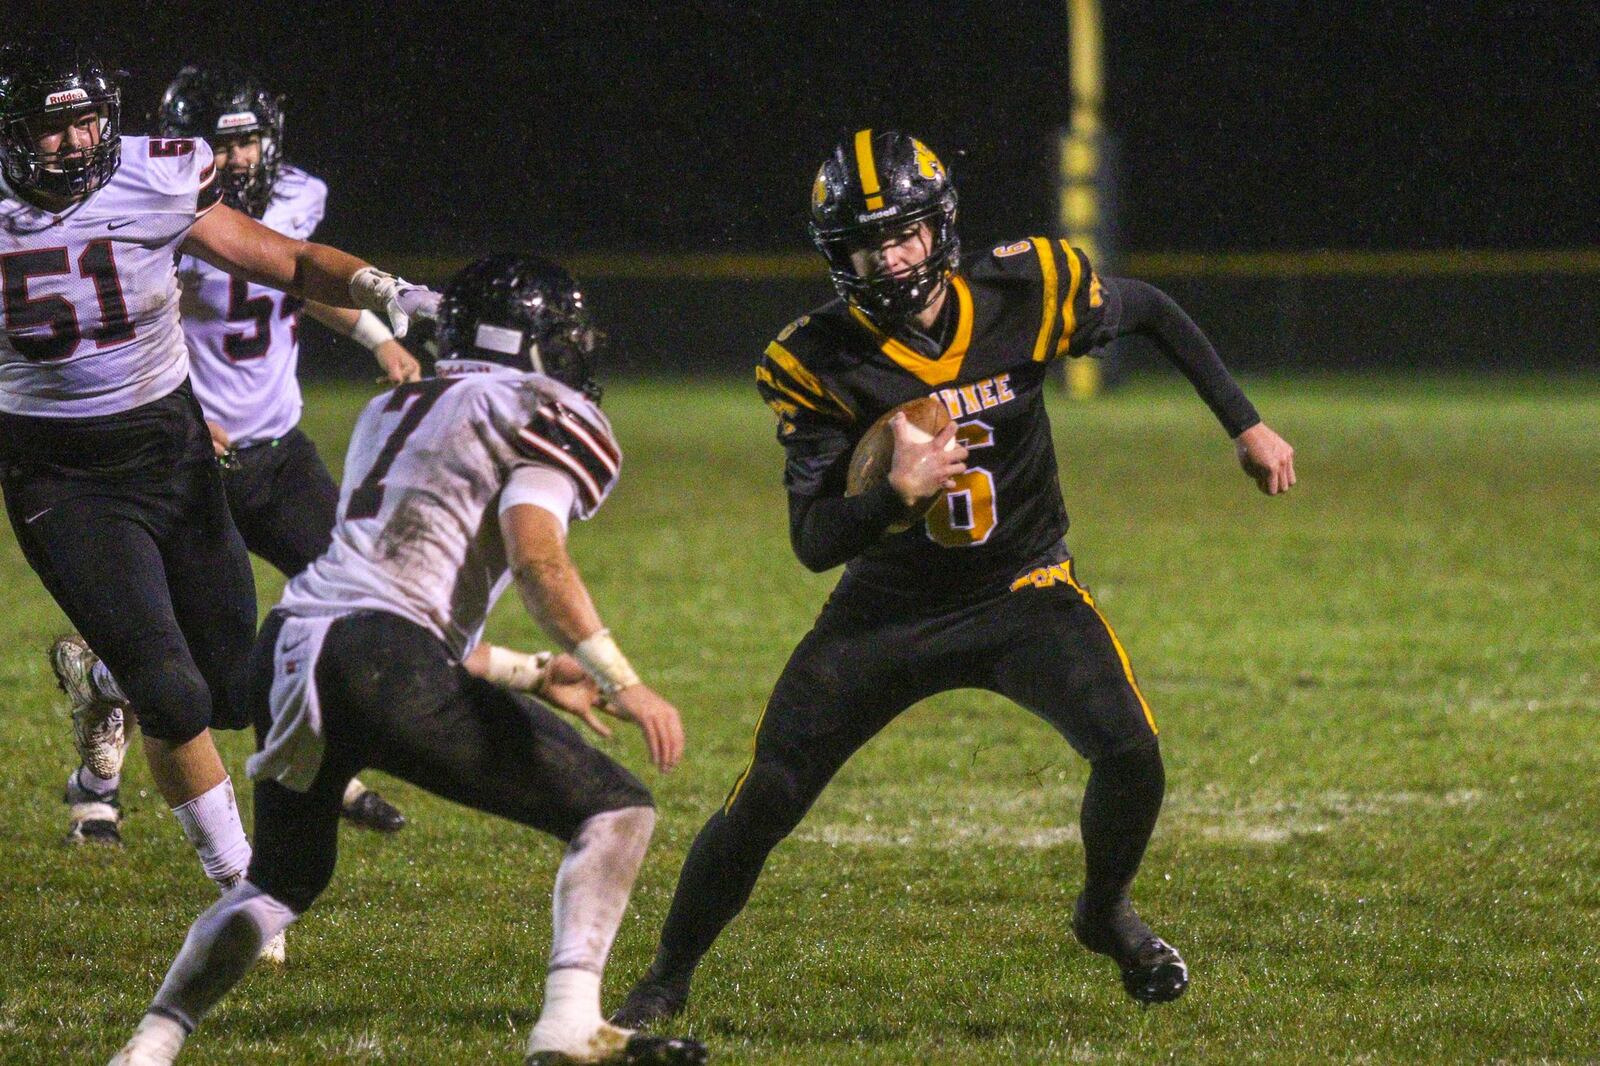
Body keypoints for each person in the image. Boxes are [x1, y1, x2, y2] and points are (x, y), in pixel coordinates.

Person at [613, 129, 1297, 1026]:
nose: (888, 259)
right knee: (768, 794)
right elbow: (815, 541)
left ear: (940, 229)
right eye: (865, 243)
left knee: (1131, 755)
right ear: (837, 255)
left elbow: (1152, 311)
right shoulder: (814, 360)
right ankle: (665, 976)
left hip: (1024, 590)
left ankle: (1104, 914)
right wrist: (891, 499)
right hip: (888, 611)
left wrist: (1244, 425)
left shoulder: (1025, 289)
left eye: (901, 235)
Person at [107, 254, 707, 1066]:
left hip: (294, 648)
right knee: (615, 810)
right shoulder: (540, 409)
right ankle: (568, 1024)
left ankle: (148, 1047)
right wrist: (620, 678)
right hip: (378, 657)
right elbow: (536, 558)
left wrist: (532, 671)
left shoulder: (394, 404)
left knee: (280, 883)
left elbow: (402, 591)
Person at [0, 34, 439, 922]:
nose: (77, 144)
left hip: (172, 450)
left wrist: (389, 294)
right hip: (60, 470)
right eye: (53, 128)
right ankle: (243, 889)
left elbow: (283, 261)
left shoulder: (154, 175)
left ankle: (102, 685)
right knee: (172, 689)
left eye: (89, 120)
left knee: (228, 686)